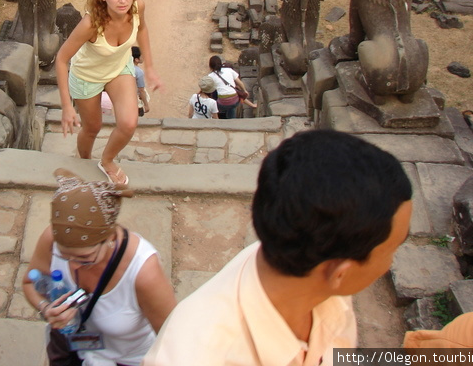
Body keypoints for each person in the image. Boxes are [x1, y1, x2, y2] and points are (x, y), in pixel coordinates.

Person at [144, 129, 413, 366]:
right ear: (339, 273)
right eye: (391, 250)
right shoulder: (191, 357)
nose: (389, 264)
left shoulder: (310, 248)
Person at [23, 169, 176, 366]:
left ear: (110, 239)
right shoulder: (52, 239)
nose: (74, 265)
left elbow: (171, 340)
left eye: (84, 258)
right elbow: (29, 282)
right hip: (69, 346)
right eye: (64, 256)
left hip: (125, 360)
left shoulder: (144, 272)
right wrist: (45, 309)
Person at [56, 0, 162, 186]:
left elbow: (142, 29)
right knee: (92, 127)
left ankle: (107, 161)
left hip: (119, 67)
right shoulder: (90, 24)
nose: (122, 0)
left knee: (129, 123)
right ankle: (83, 162)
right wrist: (67, 106)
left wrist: (149, 67)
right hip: (87, 76)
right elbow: (61, 59)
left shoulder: (137, 7)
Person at [208, 55, 254, 119]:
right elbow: (240, 83)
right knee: (231, 105)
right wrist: (244, 90)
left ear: (210, 66)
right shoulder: (229, 70)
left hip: (221, 104)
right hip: (234, 102)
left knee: (215, 104)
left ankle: (216, 119)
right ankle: (232, 120)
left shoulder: (210, 76)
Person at [132, 46, 150, 117]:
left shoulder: (124, 69)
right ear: (136, 59)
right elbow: (141, 90)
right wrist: (146, 104)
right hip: (136, 102)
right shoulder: (138, 72)